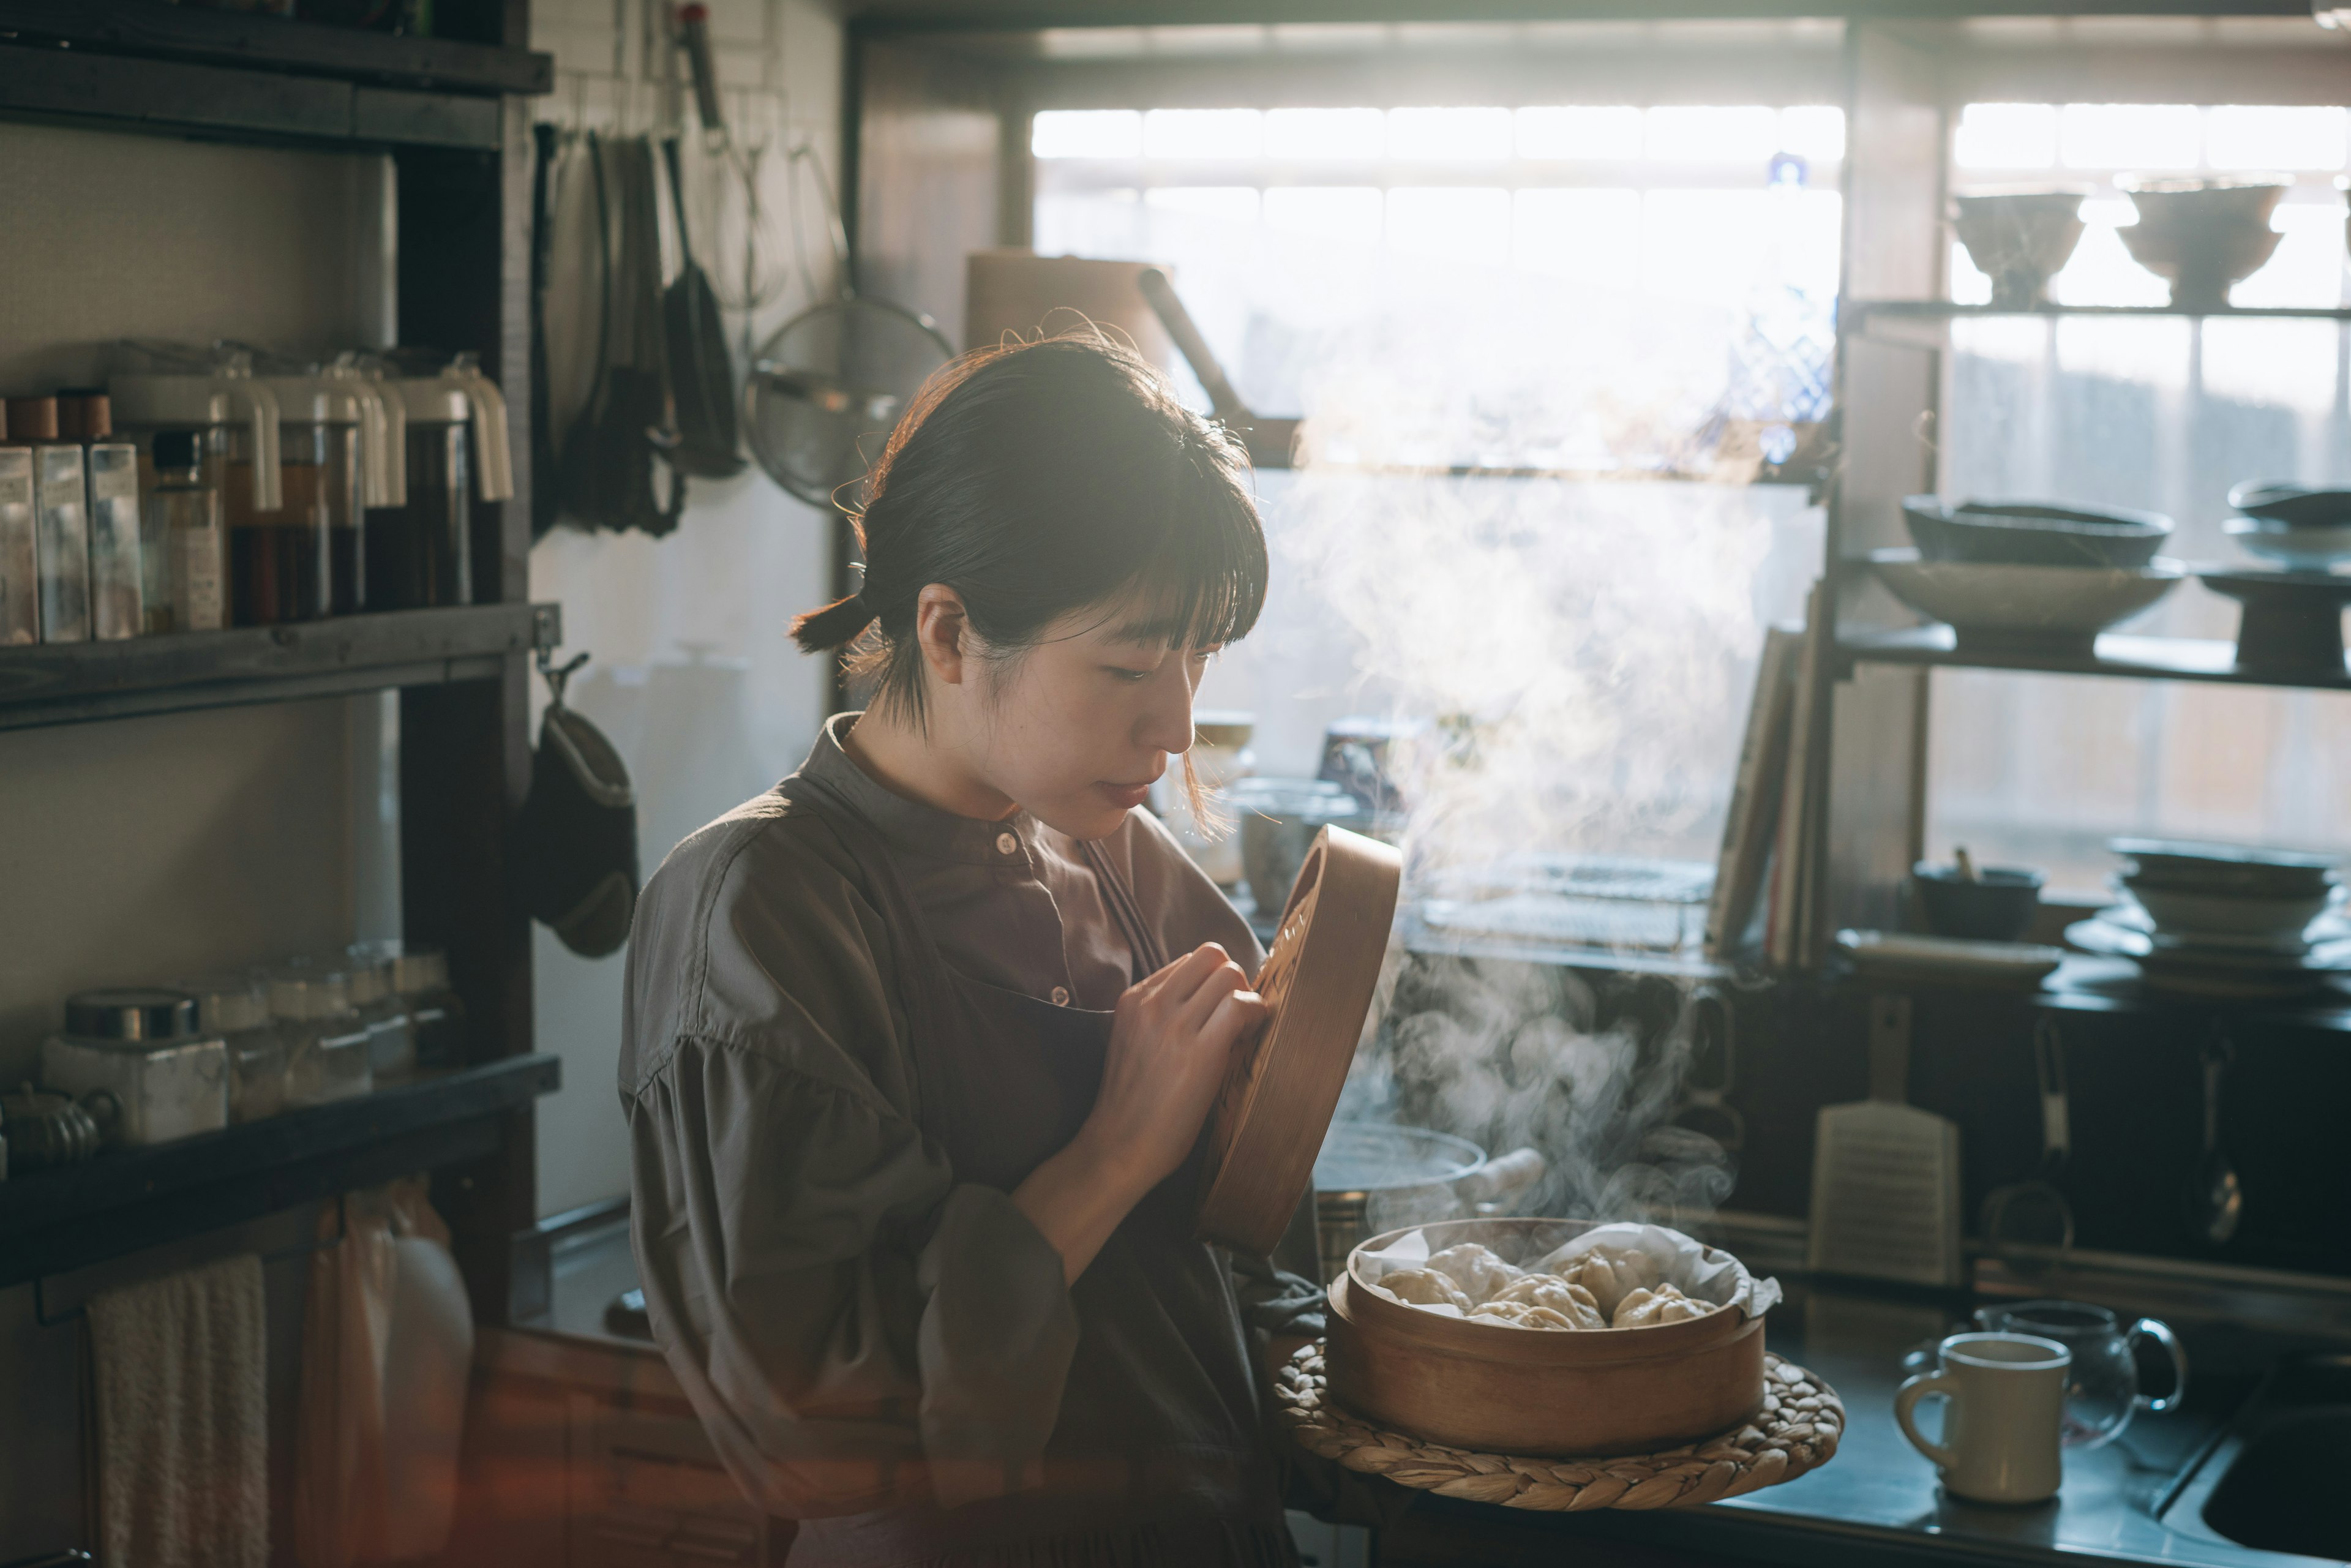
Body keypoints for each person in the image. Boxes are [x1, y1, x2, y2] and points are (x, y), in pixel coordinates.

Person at [621, 331, 1337, 1566]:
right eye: (1127, 662)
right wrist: (1112, 1151)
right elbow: (816, 1429)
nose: (1174, 725)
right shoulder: (757, 909)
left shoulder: (1125, 855)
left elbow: (1239, 1257)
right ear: (947, 632)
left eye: (1197, 660)